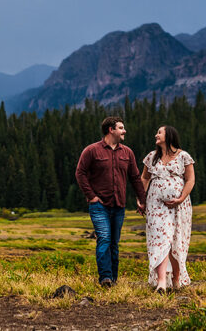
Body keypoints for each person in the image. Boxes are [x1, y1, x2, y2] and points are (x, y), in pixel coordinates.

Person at [75, 115, 146, 287]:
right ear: (110, 130)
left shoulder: (127, 153)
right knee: (104, 238)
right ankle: (105, 278)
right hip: (99, 205)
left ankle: (113, 279)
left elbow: (135, 177)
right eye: (121, 128)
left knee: (114, 243)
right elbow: (80, 173)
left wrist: (142, 199)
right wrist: (91, 196)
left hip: (119, 205)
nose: (124, 131)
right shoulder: (91, 150)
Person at [141, 125, 195, 293]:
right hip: (155, 205)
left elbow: (190, 180)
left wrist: (181, 198)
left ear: (169, 135)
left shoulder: (183, 156)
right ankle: (161, 281)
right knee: (160, 239)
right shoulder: (151, 157)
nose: (156, 135)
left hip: (180, 206)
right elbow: (144, 178)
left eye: (159, 132)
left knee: (175, 240)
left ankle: (176, 278)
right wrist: (141, 199)